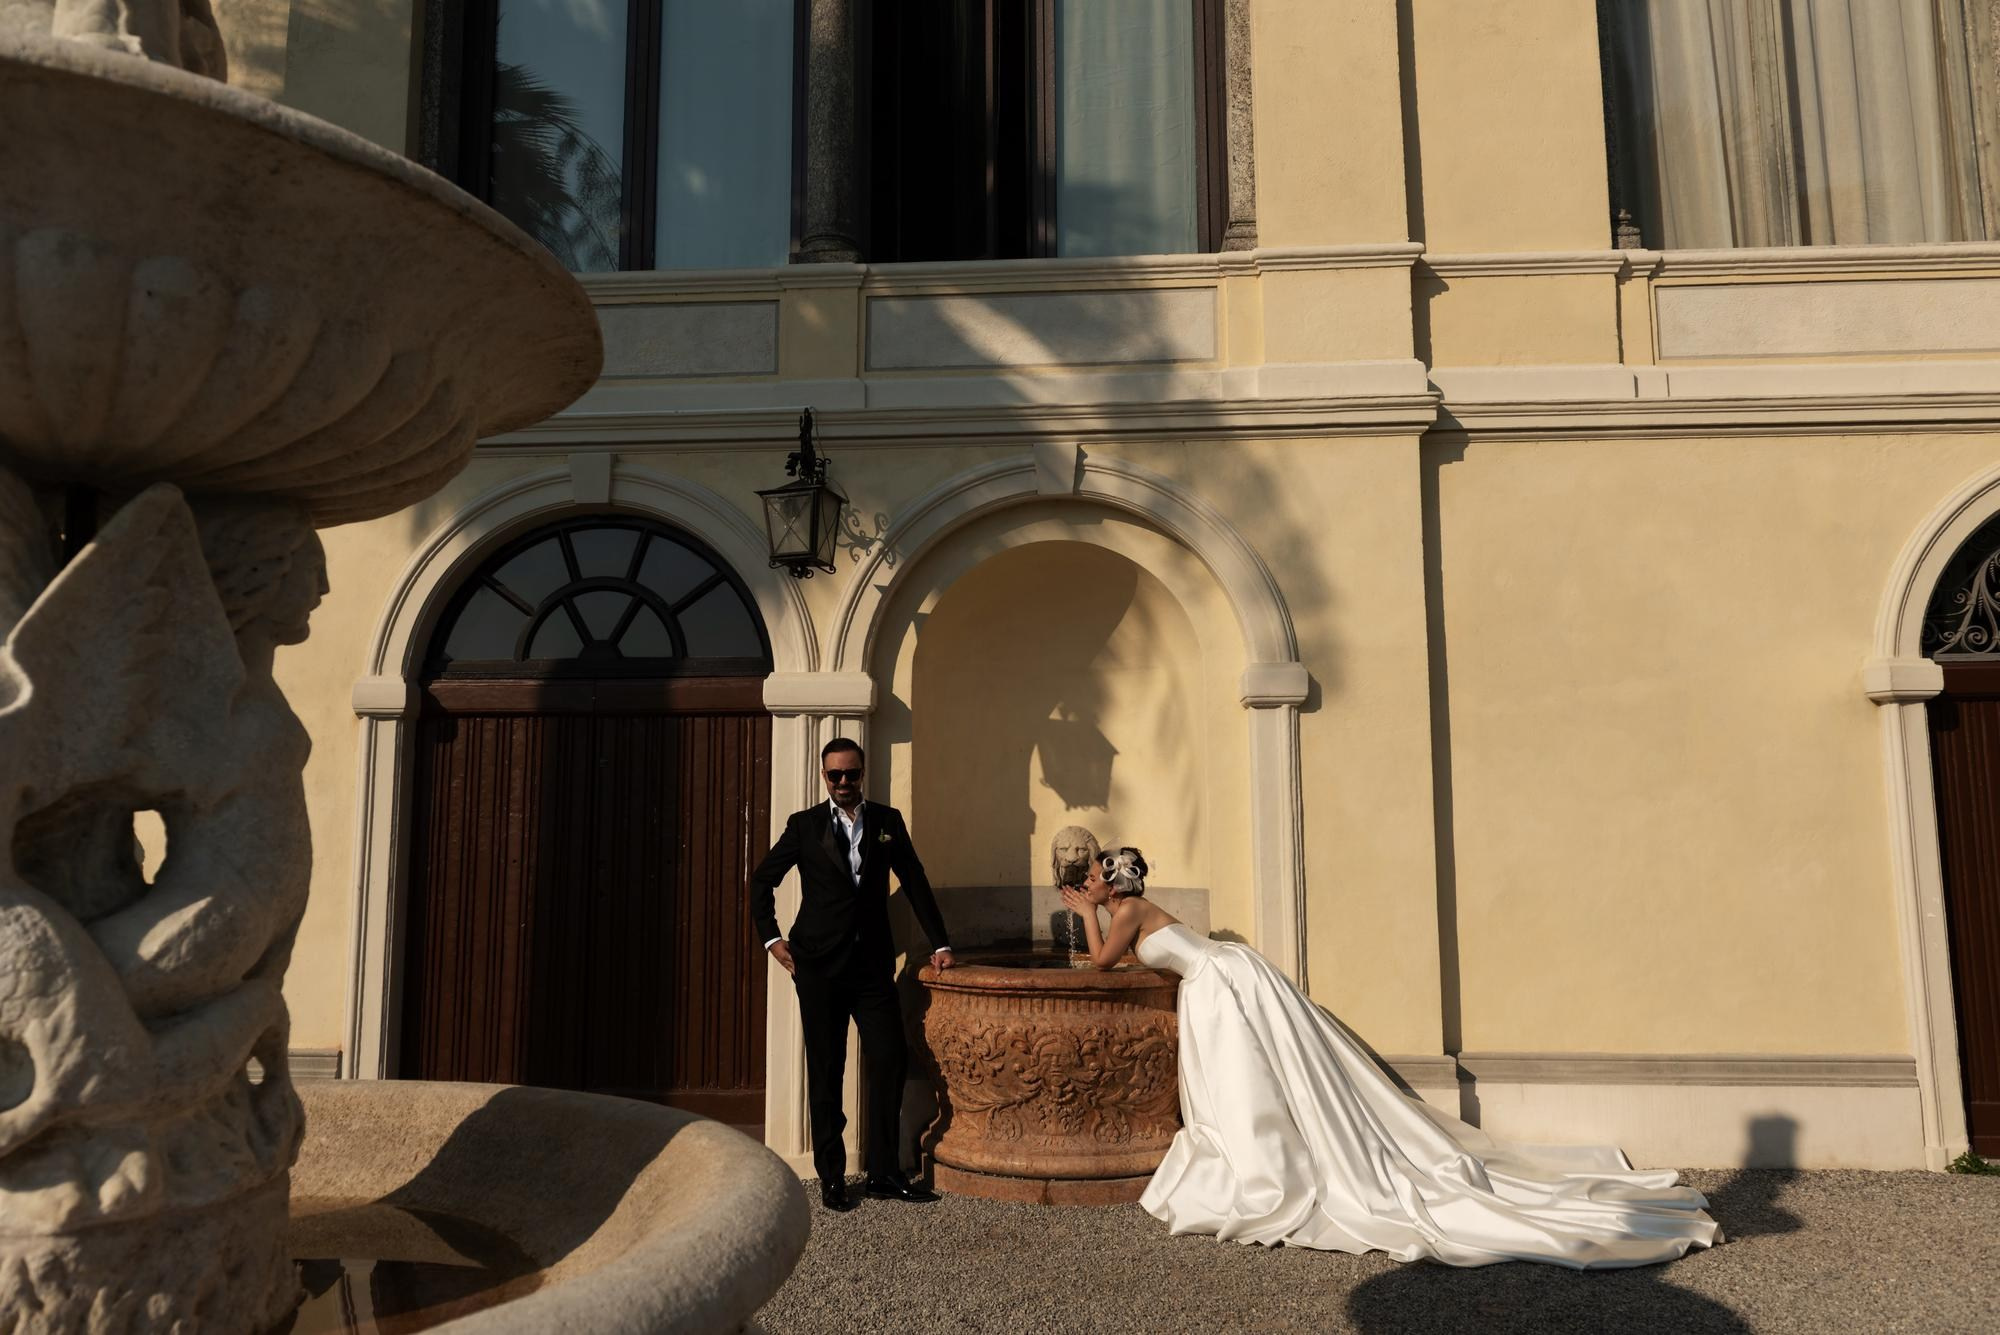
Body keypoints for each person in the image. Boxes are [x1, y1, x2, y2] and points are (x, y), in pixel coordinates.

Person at [1061, 848, 1720, 1268]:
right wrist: (1095, 910)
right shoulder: (1133, 907)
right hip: (1220, 980)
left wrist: (1085, 913)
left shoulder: (1126, 911)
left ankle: (1266, 1165)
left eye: (1091, 876)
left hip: (1222, 983)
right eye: (1087, 878)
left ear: (1111, 882)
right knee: (1248, 1079)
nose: (1087, 881)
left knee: (1246, 1080)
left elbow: (1101, 962)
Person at [750, 739, 955, 1212]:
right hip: (818, 967)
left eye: (851, 774)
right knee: (827, 1070)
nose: (844, 782)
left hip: (871, 967)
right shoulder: (804, 826)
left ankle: (884, 1172)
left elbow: (915, 880)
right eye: (835, 775)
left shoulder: (887, 822)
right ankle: (832, 1178)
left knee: (889, 1060)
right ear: (824, 777)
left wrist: (941, 942)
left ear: (863, 773)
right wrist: (771, 939)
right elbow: (762, 881)